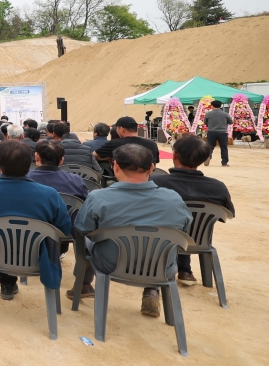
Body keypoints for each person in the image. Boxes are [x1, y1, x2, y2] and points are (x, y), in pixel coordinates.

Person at [72, 143, 191, 317]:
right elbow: (184, 231)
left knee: (83, 235)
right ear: (151, 168)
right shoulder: (173, 198)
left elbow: (83, 228)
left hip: (112, 263)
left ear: (115, 166)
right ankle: (152, 289)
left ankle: (83, 284)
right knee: (159, 244)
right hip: (162, 266)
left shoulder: (98, 197)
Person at [0, 140, 71, 300]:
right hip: (39, 257)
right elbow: (65, 229)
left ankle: (7, 283)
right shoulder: (50, 194)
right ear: (31, 164)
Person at [151, 134, 234, 286]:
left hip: (162, 240)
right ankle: (185, 269)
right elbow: (226, 215)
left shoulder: (156, 182)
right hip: (199, 240)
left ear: (174, 155)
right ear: (203, 159)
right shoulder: (218, 187)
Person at [94, 116, 160, 164]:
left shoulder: (114, 143)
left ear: (121, 129)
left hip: (122, 179)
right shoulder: (152, 144)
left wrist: (109, 158)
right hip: (146, 179)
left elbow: (95, 155)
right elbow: (155, 163)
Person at [204, 100, 232, 166]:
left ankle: (208, 157)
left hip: (211, 132)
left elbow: (205, 122)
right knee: (223, 147)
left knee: (210, 146)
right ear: (220, 106)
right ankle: (224, 162)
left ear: (212, 106)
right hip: (222, 132)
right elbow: (230, 122)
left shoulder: (208, 114)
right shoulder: (225, 114)